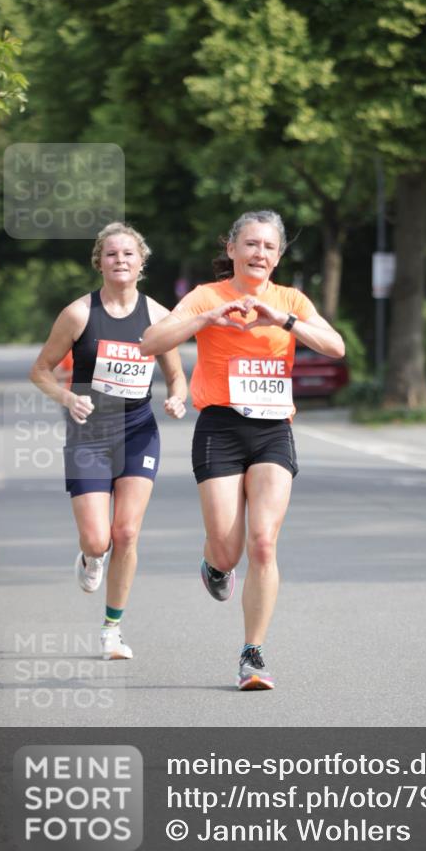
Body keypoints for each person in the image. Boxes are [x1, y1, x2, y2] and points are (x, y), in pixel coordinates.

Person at [141, 210, 345, 690]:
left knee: (264, 542)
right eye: (251, 244)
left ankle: (252, 654)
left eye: (269, 247)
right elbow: (151, 341)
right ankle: (214, 564)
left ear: (278, 257)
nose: (260, 254)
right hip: (221, 427)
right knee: (230, 549)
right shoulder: (207, 296)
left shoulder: (290, 298)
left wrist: (287, 321)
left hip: (273, 428)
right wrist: (205, 318)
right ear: (231, 250)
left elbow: (335, 346)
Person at [30, 222, 187, 660]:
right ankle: (90, 557)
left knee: (127, 532)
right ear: (99, 261)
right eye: (112, 254)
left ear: (142, 263)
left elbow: (177, 378)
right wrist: (65, 396)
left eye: (129, 254)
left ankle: (111, 630)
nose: (121, 260)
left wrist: (176, 400)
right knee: (99, 539)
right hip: (90, 433)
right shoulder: (79, 313)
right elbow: (40, 369)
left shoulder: (159, 317)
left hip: (138, 431)